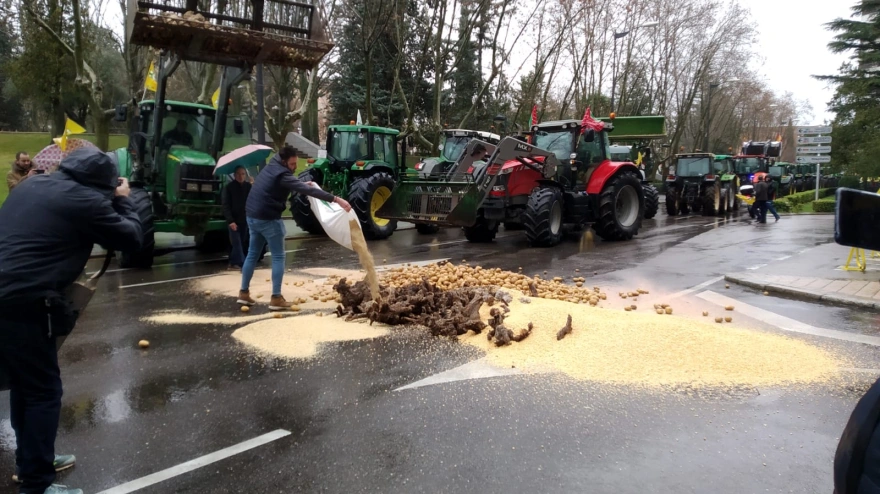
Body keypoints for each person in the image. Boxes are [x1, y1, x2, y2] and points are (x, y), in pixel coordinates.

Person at [0, 147, 143, 494]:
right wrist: (124, 200)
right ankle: (37, 483)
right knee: (43, 392)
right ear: (103, 184)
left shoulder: (31, 185)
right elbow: (133, 239)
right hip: (24, 302)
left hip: (9, 296)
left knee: (25, 385)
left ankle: (32, 462)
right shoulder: (87, 201)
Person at [238, 145, 351, 310]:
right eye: (292, 164)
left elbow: (290, 184)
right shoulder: (282, 174)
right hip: (268, 217)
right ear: (284, 162)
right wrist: (337, 199)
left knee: (252, 254)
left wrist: (303, 183)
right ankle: (276, 298)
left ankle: (243, 293)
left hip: (252, 216)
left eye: (296, 163)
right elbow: (306, 190)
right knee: (278, 257)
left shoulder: (271, 166)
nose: (295, 167)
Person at [223, 166, 251, 270]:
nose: (241, 176)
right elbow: (226, 205)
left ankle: (232, 262)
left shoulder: (248, 187)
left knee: (241, 241)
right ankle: (244, 264)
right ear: (234, 175)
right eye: (238, 174)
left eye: (243, 174)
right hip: (233, 220)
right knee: (236, 242)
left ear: (246, 175)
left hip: (245, 219)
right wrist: (230, 221)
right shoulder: (229, 187)